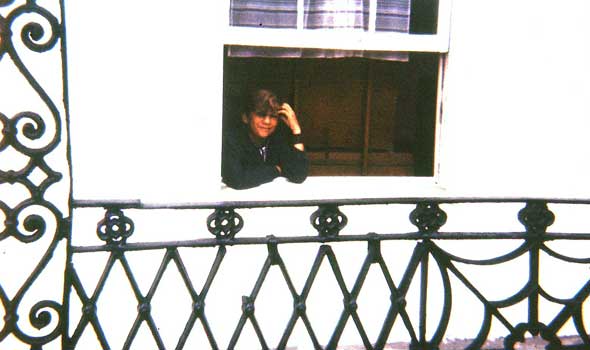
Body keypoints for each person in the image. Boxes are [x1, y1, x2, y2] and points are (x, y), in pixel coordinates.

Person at [222, 88, 309, 189]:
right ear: (246, 117)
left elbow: (298, 174)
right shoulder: (232, 140)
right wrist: (276, 170)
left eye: (273, 116)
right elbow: (237, 179)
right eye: (261, 115)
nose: (267, 121)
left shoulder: (278, 140)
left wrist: (296, 132)